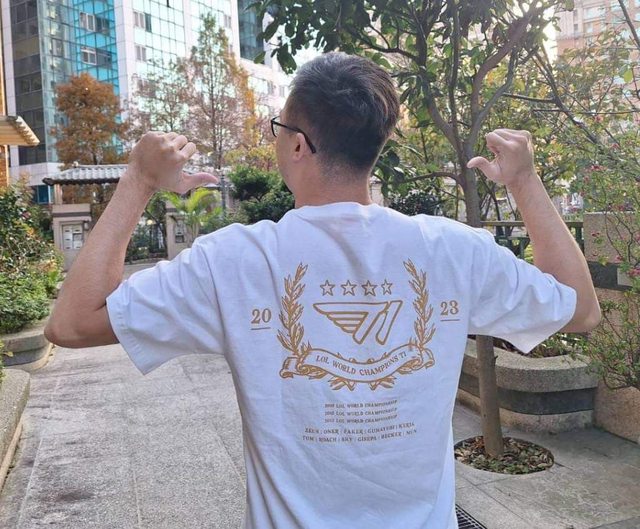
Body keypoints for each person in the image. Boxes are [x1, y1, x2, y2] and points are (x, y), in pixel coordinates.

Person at [45, 52, 600, 529]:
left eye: (278, 129)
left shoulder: (235, 261)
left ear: (298, 145)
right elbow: (579, 310)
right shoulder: (454, 250)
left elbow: (72, 323)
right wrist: (525, 181)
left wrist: (139, 180)